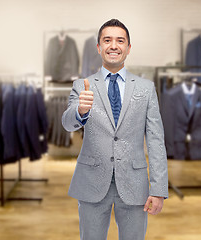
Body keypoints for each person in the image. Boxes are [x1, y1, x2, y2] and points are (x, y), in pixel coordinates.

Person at [62, 19, 168, 240]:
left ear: (128, 48)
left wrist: (159, 189)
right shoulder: (82, 86)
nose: (113, 45)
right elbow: (67, 123)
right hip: (92, 182)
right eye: (107, 40)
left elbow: (156, 140)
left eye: (120, 41)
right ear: (98, 47)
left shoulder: (146, 89)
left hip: (134, 183)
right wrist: (80, 110)